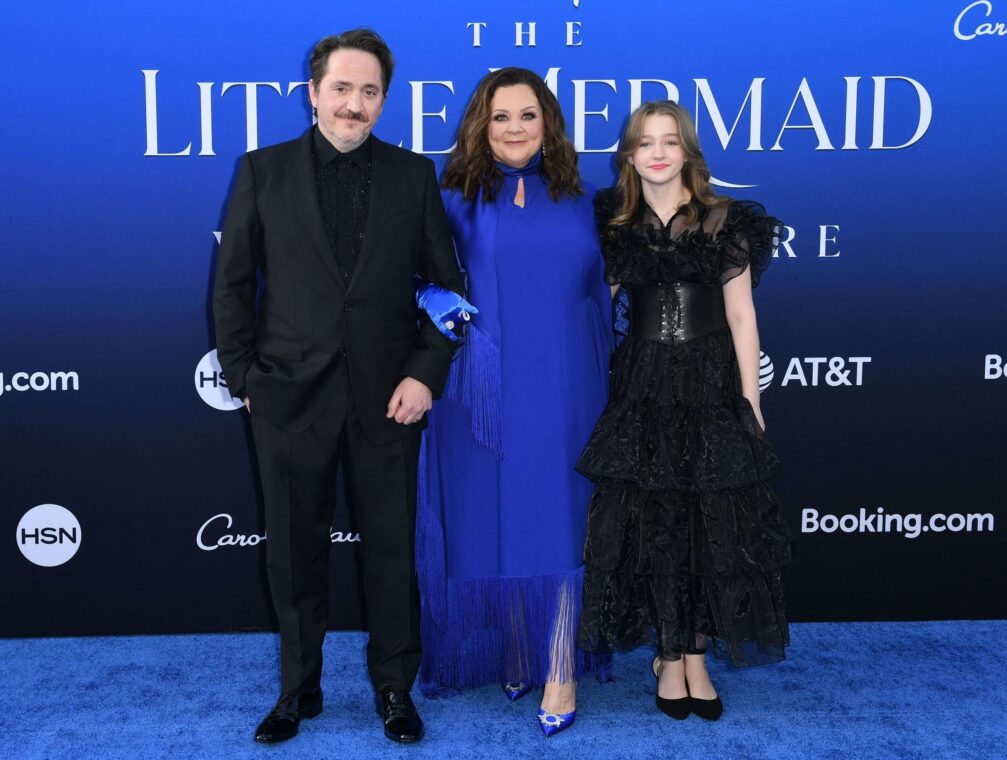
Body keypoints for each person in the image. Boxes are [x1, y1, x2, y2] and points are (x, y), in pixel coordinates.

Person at [213, 29, 463, 745]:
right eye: (342, 88)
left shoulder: (413, 176)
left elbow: (448, 290)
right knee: (293, 551)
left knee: (391, 549)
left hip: (389, 399)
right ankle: (298, 690)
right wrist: (243, 377)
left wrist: (425, 373)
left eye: (370, 91)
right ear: (313, 91)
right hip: (287, 395)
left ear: (384, 98)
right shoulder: (262, 171)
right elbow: (231, 288)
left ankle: (394, 689)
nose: (355, 104)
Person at [576, 101, 791, 722]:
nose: (659, 153)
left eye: (671, 141)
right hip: (642, 385)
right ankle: (670, 657)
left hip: (710, 384)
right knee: (657, 523)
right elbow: (593, 308)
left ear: (689, 153)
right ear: (630, 156)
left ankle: (696, 654)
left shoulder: (726, 220)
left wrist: (751, 403)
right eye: (646, 143)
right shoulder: (614, 224)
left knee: (707, 523)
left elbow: (743, 317)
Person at [416, 68, 613, 736]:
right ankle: (517, 649)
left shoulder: (590, 198)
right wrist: (432, 297)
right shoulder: (450, 196)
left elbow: (613, 289)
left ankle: (558, 664)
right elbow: (409, 271)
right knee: (490, 517)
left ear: (548, 122)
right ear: (480, 123)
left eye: (528, 115)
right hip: (479, 386)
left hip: (568, 382)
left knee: (559, 515)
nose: (514, 129)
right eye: (500, 117)